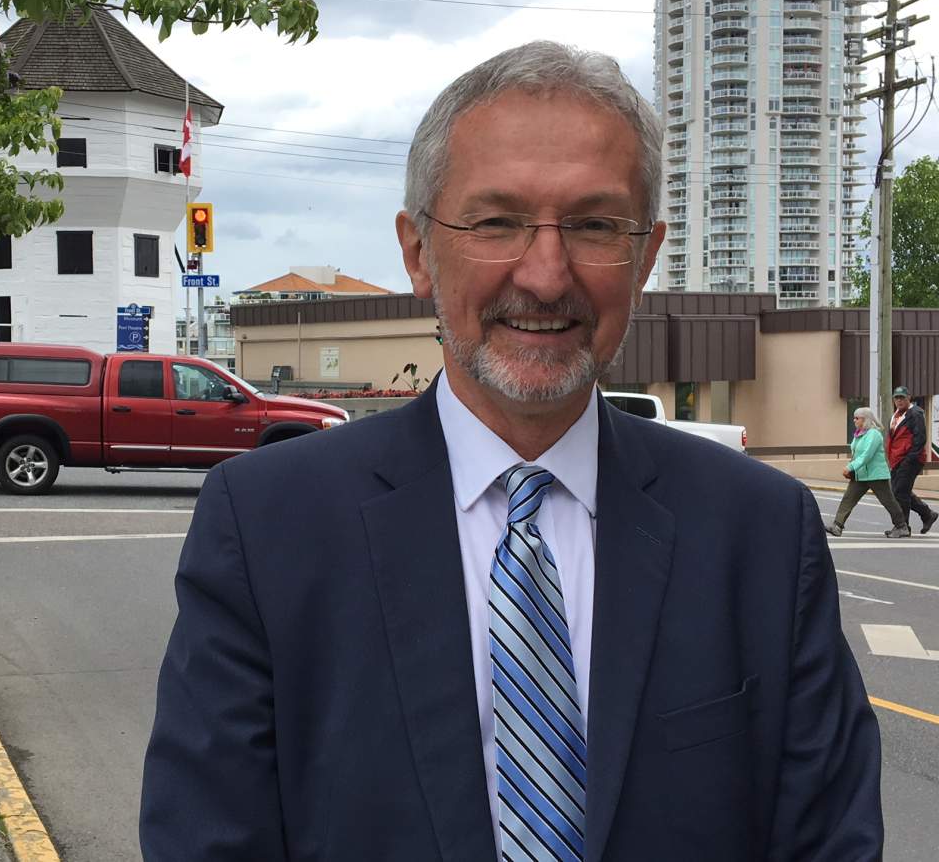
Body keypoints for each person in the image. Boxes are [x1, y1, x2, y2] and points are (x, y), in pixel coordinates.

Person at [140, 42, 882, 861]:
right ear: (418, 252)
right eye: (497, 222)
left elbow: (827, 839)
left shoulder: (762, 534)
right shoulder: (267, 527)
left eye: (596, 225)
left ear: (645, 258)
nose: (545, 273)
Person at [825, 407, 909, 538]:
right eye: (854, 418)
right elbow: (856, 454)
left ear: (865, 419)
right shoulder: (859, 434)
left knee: (888, 501)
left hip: (876, 475)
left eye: (857, 418)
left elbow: (866, 455)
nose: (854, 420)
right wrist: (852, 468)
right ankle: (837, 525)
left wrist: (850, 467)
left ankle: (901, 526)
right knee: (848, 499)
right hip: (861, 474)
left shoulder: (874, 434)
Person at [886, 385, 938, 535]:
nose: (899, 400)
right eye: (896, 397)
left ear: (909, 398)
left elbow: (920, 438)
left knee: (899, 492)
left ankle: (903, 527)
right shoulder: (895, 415)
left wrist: (909, 459)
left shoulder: (915, 413)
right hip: (896, 459)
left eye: (902, 397)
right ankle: (928, 514)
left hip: (910, 459)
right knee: (901, 491)